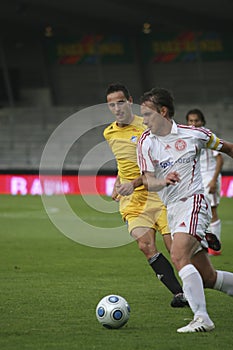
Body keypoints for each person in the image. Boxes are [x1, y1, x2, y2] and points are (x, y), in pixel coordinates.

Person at [116, 87, 233, 333]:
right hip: (172, 209)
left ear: (163, 111)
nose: (144, 120)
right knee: (208, 277)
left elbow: (227, 148)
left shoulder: (195, 135)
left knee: (178, 256)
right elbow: (148, 180)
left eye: (147, 115)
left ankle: (202, 318)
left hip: (194, 202)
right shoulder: (146, 142)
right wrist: (163, 180)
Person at [103, 83, 187, 307]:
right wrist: (118, 182)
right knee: (145, 245)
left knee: (175, 250)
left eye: (120, 102)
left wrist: (134, 182)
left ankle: (201, 280)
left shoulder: (148, 124)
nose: (117, 108)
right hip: (133, 200)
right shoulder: (109, 133)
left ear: (130, 101)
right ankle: (180, 294)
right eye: (111, 104)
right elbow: (124, 163)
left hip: (159, 194)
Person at [185, 108, 223, 256]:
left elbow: (219, 158)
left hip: (209, 177)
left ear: (202, 121)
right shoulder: (187, 137)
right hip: (196, 178)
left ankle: (215, 247)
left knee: (212, 211)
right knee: (197, 211)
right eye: (191, 121)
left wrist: (214, 180)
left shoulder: (208, 136)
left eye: (197, 121)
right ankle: (203, 242)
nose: (194, 124)